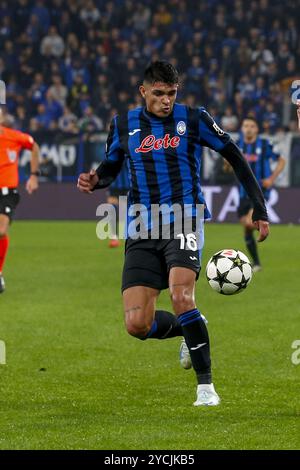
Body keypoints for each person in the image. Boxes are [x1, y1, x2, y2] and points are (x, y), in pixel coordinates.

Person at [77, 61, 269, 407]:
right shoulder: (123, 125)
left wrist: (259, 206)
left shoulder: (194, 119)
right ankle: (190, 326)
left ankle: (205, 388)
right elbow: (110, 166)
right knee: (137, 324)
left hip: (184, 219)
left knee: (182, 297)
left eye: (171, 94)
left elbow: (235, 155)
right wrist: (96, 180)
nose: (166, 101)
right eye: (159, 93)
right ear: (144, 91)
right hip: (140, 225)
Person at [229, 117, 285, 272]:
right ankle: (257, 264)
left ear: (257, 129)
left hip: (260, 192)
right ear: (241, 128)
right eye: (245, 125)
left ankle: (263, 224)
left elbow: (282, 161)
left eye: (252, 126)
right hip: (242, 193)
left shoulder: (265, 145)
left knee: (248, 223)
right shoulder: (236, 145)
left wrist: (271, 179)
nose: (248, 128)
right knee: (247, 229)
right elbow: (228, 165)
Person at [0, 108, 40, 293]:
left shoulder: (14, 137)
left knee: (1, 230)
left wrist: (33, 175)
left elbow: (34, 146)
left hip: (7, 192)